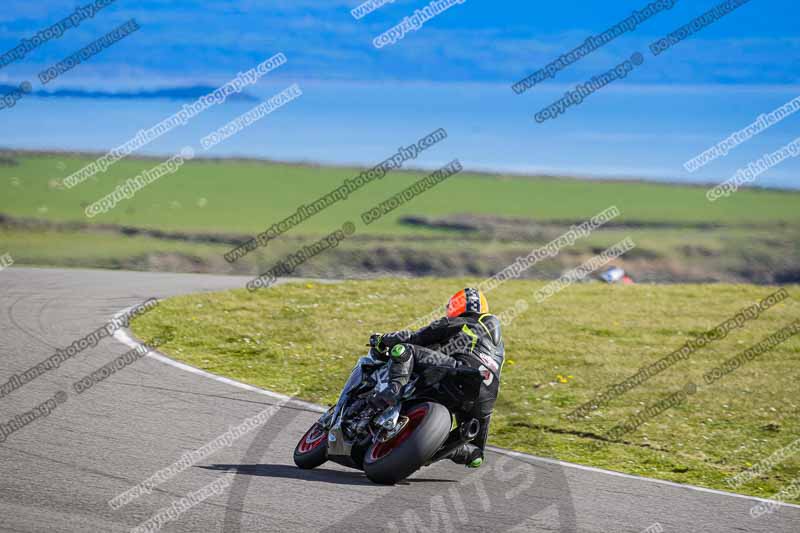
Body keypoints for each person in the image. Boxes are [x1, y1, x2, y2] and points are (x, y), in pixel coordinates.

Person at [368, 288, 504, 468]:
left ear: (456, 305)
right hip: (487, 394)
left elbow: (417, 337)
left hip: (461, 372)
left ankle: (392, 393)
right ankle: (438, 447)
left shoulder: (463, 321)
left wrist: (384, 339)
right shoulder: (497, 343)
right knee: (475, 454)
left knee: (404, 351)